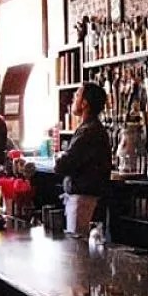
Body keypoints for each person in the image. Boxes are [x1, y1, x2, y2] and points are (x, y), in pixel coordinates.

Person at [53, 82, 111, 237]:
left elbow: (64, 165)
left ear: (85, 103)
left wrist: (59, 157)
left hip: (83, 200)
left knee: (78, 245)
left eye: (77, 95)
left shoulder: (88, 131)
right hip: (87, 198)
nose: (73, 99)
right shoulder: (92, 128)